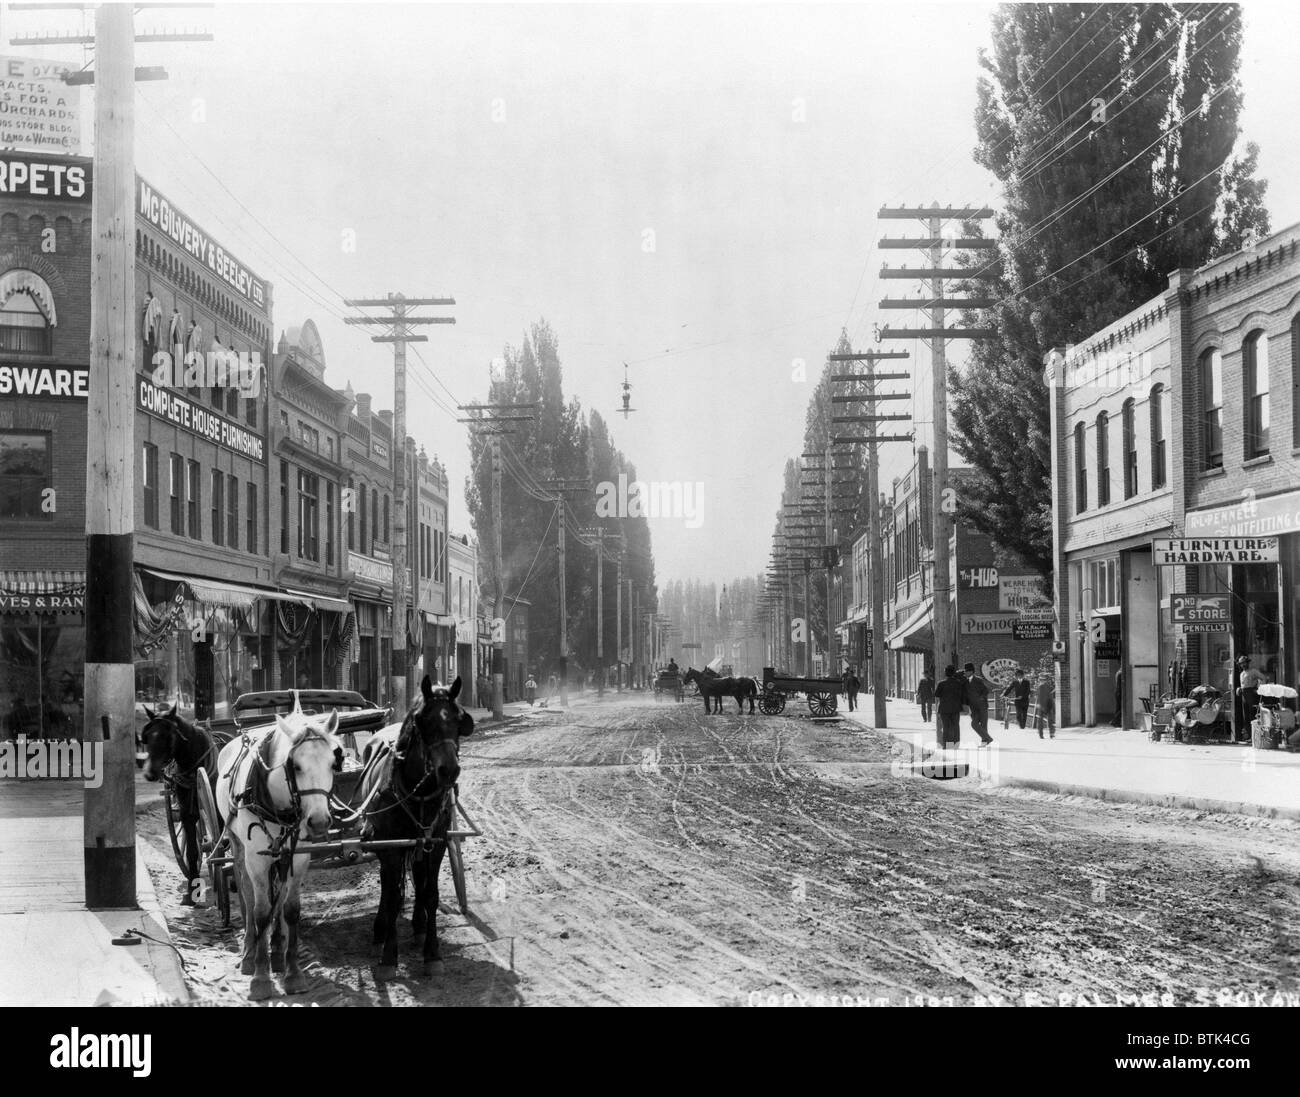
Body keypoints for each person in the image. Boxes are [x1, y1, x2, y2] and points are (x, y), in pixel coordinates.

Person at [963, 662, 994, 746]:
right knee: (974, 724)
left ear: (971, 672)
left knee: (983, 724)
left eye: (966, 671)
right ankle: (989, 738)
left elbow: (986, 690)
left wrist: (981, 698)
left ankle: (984, 742)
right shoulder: (965, 682)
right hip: (973, 707)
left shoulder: (978, 679)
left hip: (982, 706)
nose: (964, 673)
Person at [934, 666, 966, 746]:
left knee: (946, 727)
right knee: (955, 726)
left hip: (944, 708)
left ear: (946, 673)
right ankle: (956, 743)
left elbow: (936, 695)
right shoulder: (958, 683)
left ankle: (946, 744)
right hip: (955, 708)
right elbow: (962, 695)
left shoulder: (941, 683)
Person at [1236, 656, 1266, 743]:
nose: (1243, 665)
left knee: (1253, 714)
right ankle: (1250, 736)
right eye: (1241, 664)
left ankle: (1256, 736)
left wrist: (1258, 689)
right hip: (1244, 695)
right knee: (1246, 716)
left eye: (1244, 663)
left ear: (1248, 663)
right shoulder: (1241, 674)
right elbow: (1243, 685)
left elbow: (1263, 678)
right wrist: (1240, 689)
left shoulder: (1253, 671)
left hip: (1252, 694)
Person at [1035, 674, 1056, 740]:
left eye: (1043, 680)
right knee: (1049, 720)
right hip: (1046, 705)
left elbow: (1040, 697)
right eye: (1041, 680)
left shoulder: (1041, 687)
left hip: (1044, 705)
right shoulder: (1046, 686)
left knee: (1043, 720)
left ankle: (1043, 734)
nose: (1042, 681)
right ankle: (1050, 733)